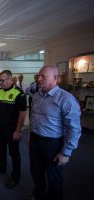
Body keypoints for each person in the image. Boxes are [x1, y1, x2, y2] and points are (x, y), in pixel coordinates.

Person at [29, 65, 81, 200]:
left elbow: (74, 128)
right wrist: (31, 136)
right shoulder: (36, 96)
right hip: (35, 141)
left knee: (54, 177)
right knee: (36, 172)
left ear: (55, 78)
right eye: (38, 76)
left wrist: (65, 153)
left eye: (43, 76)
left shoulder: (66, 99)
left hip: (53, 144)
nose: (39, 79)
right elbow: (34, 119)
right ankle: (39, 195)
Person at [0, 70, 27, 189]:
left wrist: (18, 130)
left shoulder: (19, 93)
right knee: (1, 149)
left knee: (14, 153)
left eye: (2, 80)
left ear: (10, 79)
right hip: (0, 127)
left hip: (12, 128)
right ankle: (1, 167)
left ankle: (15, 177)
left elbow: (22, 114)